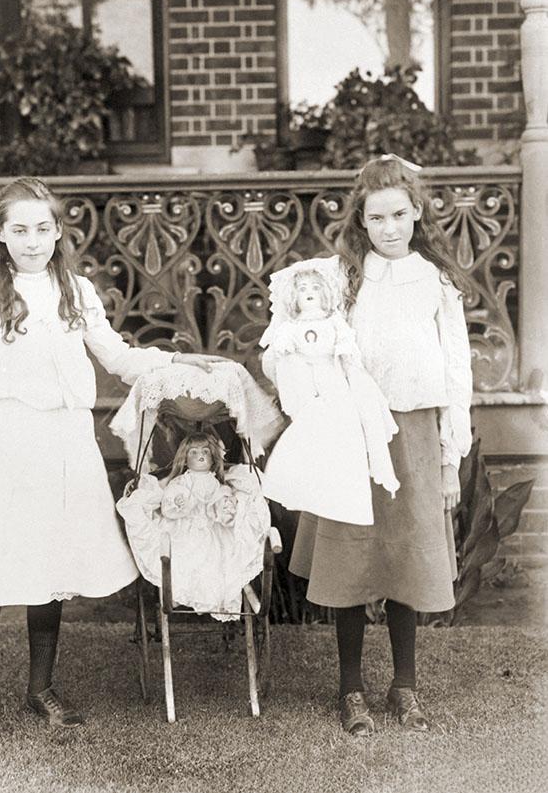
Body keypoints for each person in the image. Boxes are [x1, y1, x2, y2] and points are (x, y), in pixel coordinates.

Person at [0, 177, 226, 756]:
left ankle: (42, 688)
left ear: (59, 231)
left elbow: (117, 355)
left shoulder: (75, 291)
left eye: (43, 228)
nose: (33, 241)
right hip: (4, 443)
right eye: (20, 230)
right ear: (0, 233)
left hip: (64, 441)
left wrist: (177, 357)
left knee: (50, 567)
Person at [288, 154, 472, 736]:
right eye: (376, 218)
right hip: (353, 434)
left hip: (414, 435)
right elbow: (299, 331)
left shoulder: (437, 282)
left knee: (404, 560)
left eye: (399, 215)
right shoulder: (342, 278)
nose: (389, 228)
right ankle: (350, 688)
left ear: (417, 212)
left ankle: (405, 686)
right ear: (361, 222)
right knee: (351, 556)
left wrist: (450, 457)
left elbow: (457, 371)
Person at [259, 261, 400, 526]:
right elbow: (280, 354)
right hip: (305, 384)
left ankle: (345, 495)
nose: (309, 293)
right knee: (309, 435)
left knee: (343, 435)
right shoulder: (290, 327)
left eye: (314, 287)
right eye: (302, 288)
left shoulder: (333, 323)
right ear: (294, 296)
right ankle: (306, 487)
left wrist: (346, 357)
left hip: (332, 379)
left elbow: (346, 350)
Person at [116, 431, 270, 620]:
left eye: (205, 451)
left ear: (213, 457)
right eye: (194, 452)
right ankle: (179, 590)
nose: (200, 456)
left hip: (212, 529)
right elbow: (169, 500)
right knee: (184, 557)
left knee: (218, 560)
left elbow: (220, 498)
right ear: (185, 458)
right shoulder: (181, 481)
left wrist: (224, 506)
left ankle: (215, 595)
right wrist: (177, 503)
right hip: (184, 528)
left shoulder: (216, 482)